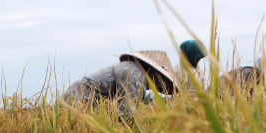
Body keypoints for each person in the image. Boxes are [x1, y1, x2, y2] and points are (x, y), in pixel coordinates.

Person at [62, 40, 206, 115]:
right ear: (157, 76)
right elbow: (127, 113)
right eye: (167, 87)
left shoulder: (135, 71)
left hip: (86, 104)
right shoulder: (135, 75)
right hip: (76, 102)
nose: (166, 92)